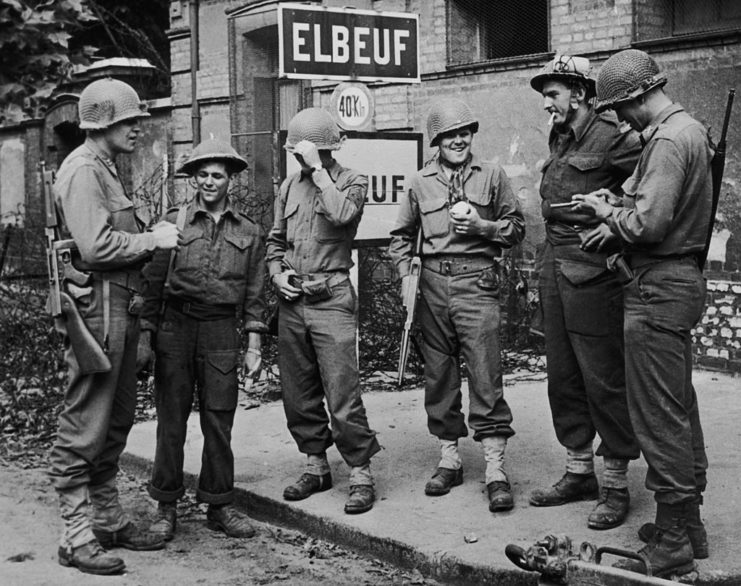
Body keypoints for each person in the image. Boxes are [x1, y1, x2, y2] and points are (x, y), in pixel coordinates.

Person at [573, 48, 711, 578]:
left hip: (659, 285)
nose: (620, 120)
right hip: (672, 283)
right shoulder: (684, 132)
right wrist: (617, 204)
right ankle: (689, 524)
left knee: (657, 416)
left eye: (620, 109)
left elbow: (650, 225)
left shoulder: (671, 138)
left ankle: (674, 539)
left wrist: (608, 211)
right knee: (677, 406)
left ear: (636, 96)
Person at [49, 77, 181, 575]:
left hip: (119, 308)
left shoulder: (105, 167)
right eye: (129, 122)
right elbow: (97, 248)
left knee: (116, 420)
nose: (138, 130)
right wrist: (152, 239)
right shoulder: (83, 170)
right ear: (104, 122)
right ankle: (76, 535)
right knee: (86, 422)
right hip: (98, 309)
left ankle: (106, 518)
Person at [388, 98, 525, 512]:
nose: (459, 140)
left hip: (476, 281)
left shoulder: (493, 175)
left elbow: (517, 228)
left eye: (465, 132)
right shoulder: (418, 182)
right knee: (439, 375)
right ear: (437, 141)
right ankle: (449, 460)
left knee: (485, 371)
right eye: (450, 135)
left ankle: (495, 469)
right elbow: (399, 238)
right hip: (431, 284)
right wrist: (406, 279)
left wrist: (484, 227)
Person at [527, 55, 642, 530]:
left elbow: (651, 183)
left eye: (552, 94)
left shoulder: (615, 135)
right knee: (564, 375)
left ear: (578, 93)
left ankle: (615, 484)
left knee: (604, 378)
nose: (546, 105)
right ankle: (579, 472)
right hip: (555, 265)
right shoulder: (560, 135)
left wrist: (616, 213)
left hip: (594, 271)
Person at [139, 138, 267, 541]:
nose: (210, 182)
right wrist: (146, 336)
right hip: (175, 328)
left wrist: (254, 346)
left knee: (219, 419)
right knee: (171, 421)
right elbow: (153, 283)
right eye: (203, 175)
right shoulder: (172, 223)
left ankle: (219, 504)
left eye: (218, 175)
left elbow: (255, 294)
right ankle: (166, 506)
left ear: (230, 180)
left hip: (220, 331)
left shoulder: (249, 231)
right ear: (193, 179)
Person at [266, 107, 380, 515]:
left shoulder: (351, 181)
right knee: (298, 393)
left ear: (328, 149)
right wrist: (276, 273)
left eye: (306, 153)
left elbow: (343, 215)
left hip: (331, 298)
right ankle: (316, 466)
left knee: (342, 392)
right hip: (293, 301)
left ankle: (361, 473)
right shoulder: (287, 188)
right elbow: (275, 241)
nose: (299, 159)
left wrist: (318, 171)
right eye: (296, 154)